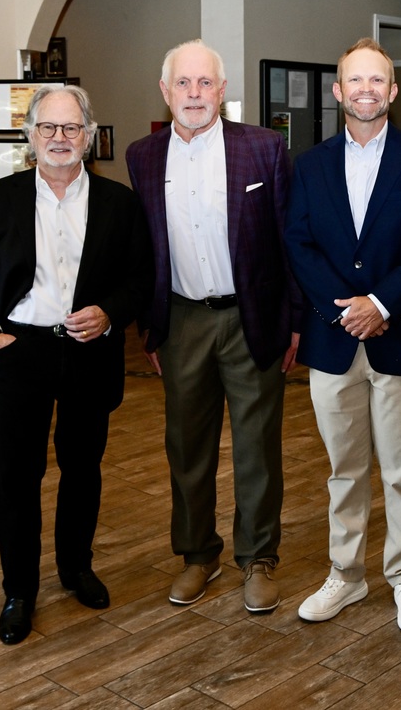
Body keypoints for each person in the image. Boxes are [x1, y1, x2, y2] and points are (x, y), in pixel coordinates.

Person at [0, 85, 153, 644]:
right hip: (19, 352)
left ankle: (76, 568)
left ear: (89, 137)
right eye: (49, 128)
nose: (60, 139)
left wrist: (110, 314)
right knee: (18, 477)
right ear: (30, 137)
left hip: (89, 351)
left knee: (83, 468)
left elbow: (140, 279)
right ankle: (19, 590)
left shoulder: (120, 204)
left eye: (72, 129)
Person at [285, 38, 401, 633]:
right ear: (337, 92)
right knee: (343, 469)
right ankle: (347, 576)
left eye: (376, 81)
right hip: (333, 342)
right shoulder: (307, 165)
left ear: (394, 90)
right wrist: (346, 310)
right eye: (354, 81)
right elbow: (298, 244)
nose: (365, 90)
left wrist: (380, 303)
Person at [125, 40, 301, 613]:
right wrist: (150, 327)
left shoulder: (264, 148)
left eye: (205, 84)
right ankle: (197, 554)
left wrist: (294, 321)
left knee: (257, 447)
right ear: (165, 91)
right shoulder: (142, 156)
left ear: (222, 91)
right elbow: (143, 251)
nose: (195, 94)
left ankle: (258, 558)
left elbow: (289, 241)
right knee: (187, 448)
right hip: (180, 321)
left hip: (250, 318)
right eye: (184, 84)